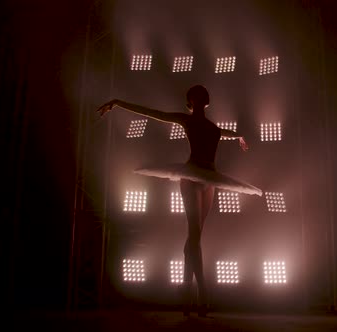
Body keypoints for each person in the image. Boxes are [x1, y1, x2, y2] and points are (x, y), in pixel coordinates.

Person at [97, 85, 262, 317]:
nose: (199, 97)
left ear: (205, 101)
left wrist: (239, 136)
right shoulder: (186, 121)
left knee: (194, 237)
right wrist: (118, 101)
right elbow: (152, 113)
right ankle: (202, 294)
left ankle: (186, 291)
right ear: (190, 101)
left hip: (209, 179)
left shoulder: (213, 128)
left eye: (202, 95)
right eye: (195, 95)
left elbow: (224, 133)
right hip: (192, 177)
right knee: (194, 235)